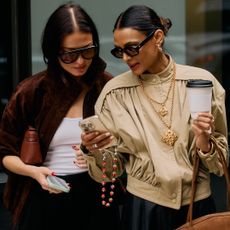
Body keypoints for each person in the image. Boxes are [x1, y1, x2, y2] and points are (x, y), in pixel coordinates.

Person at [78, 4, 229, 230]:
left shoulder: (201, 83)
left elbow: (221, 165)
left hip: (197, 207)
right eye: (119, 51)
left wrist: (204, 143)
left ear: (157, 37)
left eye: (132, 48)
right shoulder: (114, 93)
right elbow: (111, 172)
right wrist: (94, 150)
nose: (126, 58)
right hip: (143, 210)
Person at [0, 2, 122, 230]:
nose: (80, 61)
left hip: (97, 197)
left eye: (88, 50)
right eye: (69, 54)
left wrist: (99, 154)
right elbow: (5, 153)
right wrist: (34, 172)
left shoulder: (106, 86)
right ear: (53, 51)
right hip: (44, 195)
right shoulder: (31, 92)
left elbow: (128, 144)